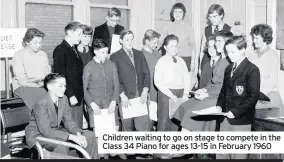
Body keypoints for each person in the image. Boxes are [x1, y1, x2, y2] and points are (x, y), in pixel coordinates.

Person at [25, 73, 98, 159]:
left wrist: (78, 133)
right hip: (38, 136)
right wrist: (71, 137)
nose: (64, 89)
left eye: (65, 85)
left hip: (55, 132)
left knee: (89, 136)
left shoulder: (64, 99)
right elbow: (46, 131)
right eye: (60, 86)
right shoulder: (41, 103)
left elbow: (69, 122)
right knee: (61, 145)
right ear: (49, 87)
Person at [173, 30, 233, 133]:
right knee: (185, 106)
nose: (216, 44)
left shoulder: (229, 61)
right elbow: (214, 82)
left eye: (219, 41)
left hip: (220, 98)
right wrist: (204, 90)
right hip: (213, 93)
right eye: (216, 41)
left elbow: (226, 87)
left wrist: (207, 94)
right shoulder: (220, 59)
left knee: (191, 114)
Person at [216, 36, 260, 159]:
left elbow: (253, 96)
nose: (229, 55)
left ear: (242, 50)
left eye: (232, 52)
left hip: (241, 120)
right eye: (227, 52)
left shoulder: (252, 69)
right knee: (222, 154)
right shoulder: (228, 68)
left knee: (238, 155)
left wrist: (235, 112)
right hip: (224, 119)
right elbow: (224, 91)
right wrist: (219, 105)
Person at [110, 30, 151, 132]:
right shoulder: (115, 56)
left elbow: (147, 74)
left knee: (143, 129)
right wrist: (122, 95)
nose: (130, 42)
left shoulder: (139, 54)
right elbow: (114, 79)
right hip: (125, 97)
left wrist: (145, 91)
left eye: (131, 39)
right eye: (127, 39)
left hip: (141, 95)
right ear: (121, 41)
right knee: (128, 129)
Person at [154, 34, 190, 132]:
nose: (175, 48)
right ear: (165, 47)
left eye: (176, 46)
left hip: (181, 94)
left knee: (176, 122)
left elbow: (186, 78)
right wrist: (171, 95)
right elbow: (158, 82)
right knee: (164, 122)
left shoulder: (181, 61)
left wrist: (186, 94)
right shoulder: (161, 61)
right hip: (166, 94)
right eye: (171, 46)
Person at [83, 39, 119, 131]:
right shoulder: (88, 67)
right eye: (103, 52)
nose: (106, 55)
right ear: (95, 52)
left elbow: (116, 84)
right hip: (95, 106)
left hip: (110, 104)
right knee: (98, 134)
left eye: (107, 52)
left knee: (113, 132)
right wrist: (92, 104)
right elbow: (84, 89)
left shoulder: (112, 65)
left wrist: (114, 101)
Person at [53, 21, 84, 128]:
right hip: (70, 96)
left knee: (78, 126)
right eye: (79, 34)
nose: (80, 38)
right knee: (72, 127)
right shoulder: (60, 50)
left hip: (78, 95)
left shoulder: (73, 48)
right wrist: (70, 94)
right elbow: (60, 76)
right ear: (70, 32)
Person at [12, 28, 50, 111]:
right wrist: (38, 86)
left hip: (40, 85)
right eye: (35, 43)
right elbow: (22, 81)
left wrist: (45, 83)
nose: (38, 45)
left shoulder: (43, 55)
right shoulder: (18, 55)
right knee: (43, 97)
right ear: (27, 42)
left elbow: (47, 75)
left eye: (40, 42)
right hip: (23, 87)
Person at [248, 24, 283, 109]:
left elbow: (271, 81)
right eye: (253, 38)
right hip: (254, 95)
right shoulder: (252, 54)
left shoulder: (272, 56)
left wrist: (257, 95)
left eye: (257, 38)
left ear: (265, 38)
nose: (254, 41)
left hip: (268, 97)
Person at [162, 3, 196, 73]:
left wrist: (193, 63)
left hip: (186, 58)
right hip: (172, 58)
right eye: (175, 11)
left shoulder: (188, 28)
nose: (178, 14)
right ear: (172, 13)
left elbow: (193, 47)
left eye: (180, 12)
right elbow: (161, 44)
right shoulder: (167, 28)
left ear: (183, 13)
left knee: (185, 81)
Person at [199, 4, 231, 77]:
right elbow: (202, 51)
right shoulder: (206, 29)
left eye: (214, 16)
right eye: (210, 17)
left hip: (222, 64)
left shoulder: (229, 30)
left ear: (221, 15)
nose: (212, 19)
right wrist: (200, 67)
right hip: (207, 62)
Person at [141, 29, 162, 131]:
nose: (157, 45)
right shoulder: (139, 55)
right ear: (147, 41)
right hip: (145, 94)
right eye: (154, 42)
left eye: (157, 42)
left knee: (154, 121)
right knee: (146, 124)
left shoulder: (158, 54)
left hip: (157, 94)